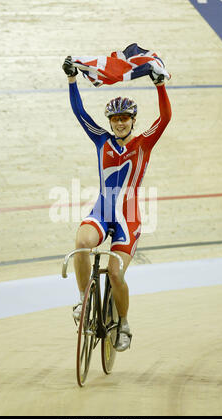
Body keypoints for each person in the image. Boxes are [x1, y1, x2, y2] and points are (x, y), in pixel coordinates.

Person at [62, 56, 172, 352]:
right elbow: (80, 113)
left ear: (133, 120)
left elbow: (165, 119)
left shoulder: (143, 143)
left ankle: (123, 322)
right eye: (115, 119)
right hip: (102, 211)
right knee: (81, 242)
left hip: (128, 219)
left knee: (115, 273)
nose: (120, 122)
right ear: (110, 121)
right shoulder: (102, 140)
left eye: (125, 118)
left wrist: (160, 84)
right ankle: (84, 302)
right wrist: (72, 79)